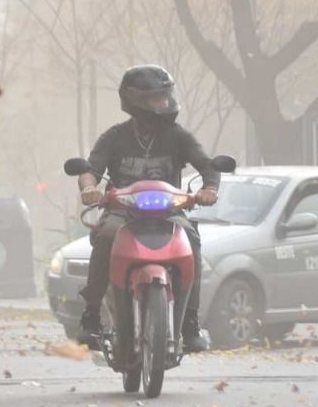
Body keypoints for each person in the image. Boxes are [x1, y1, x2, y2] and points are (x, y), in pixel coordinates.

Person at [76, 65, 222, 352]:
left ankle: (190, 322)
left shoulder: (178, 136)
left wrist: (209, 189)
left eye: (165, 96)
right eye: (156, 98)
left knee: (192, 240)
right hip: (123, 212)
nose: (163, 103)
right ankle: (91, 316)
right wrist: (89, 189)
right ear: (136, 102)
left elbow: (208, 166)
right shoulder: (114, 137)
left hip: (169, 213)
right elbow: (90, 170)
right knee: (105, 237)